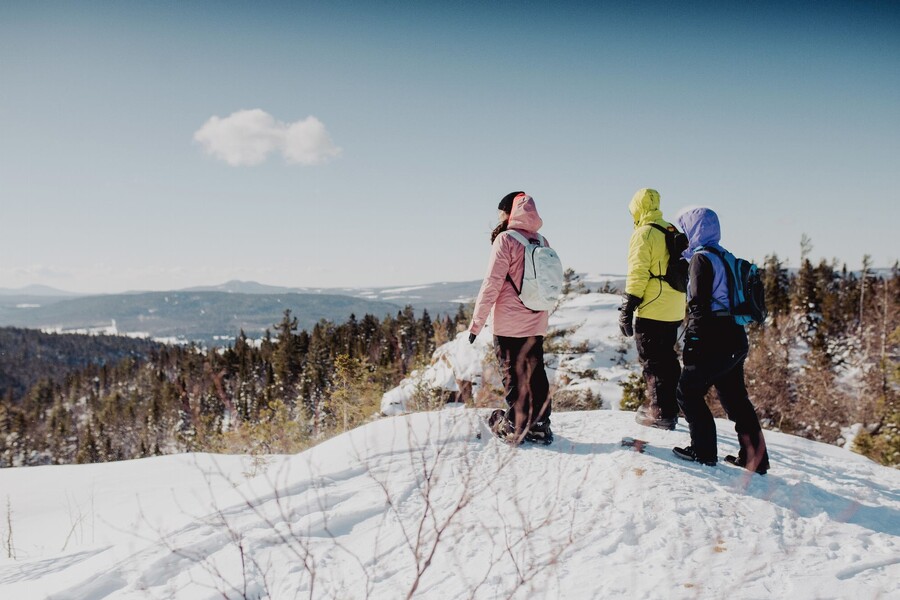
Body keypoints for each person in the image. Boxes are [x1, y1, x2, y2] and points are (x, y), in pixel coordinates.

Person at [671, 206, 770, 474]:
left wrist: (693, 340)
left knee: (687, 391)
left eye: (685, 228)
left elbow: (699, 305)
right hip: (735, 336)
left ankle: (702, 451)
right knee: (736, 398)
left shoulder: (702, 259)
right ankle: (755, 459)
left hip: (712, 335)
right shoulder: (725, 256)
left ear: (694, 229)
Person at [469, 191, 553, 445]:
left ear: (509, 213)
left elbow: (492, 283)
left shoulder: (506, 240)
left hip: (508, 322)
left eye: (501, 214)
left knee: (512, 373)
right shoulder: (541, 241)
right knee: (536, 372)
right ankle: (539, 425)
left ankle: (515, 426)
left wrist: (476, 323)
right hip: (536, 319)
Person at [619, 188, 686, 430]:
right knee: (668, 358)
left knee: (652, 360)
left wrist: (628, 307)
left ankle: (660, 412)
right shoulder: (671, 229)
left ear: (637, 208)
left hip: (653, 306)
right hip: (674, 306)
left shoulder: (644, 233)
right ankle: (670, 405)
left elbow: (637, 272)